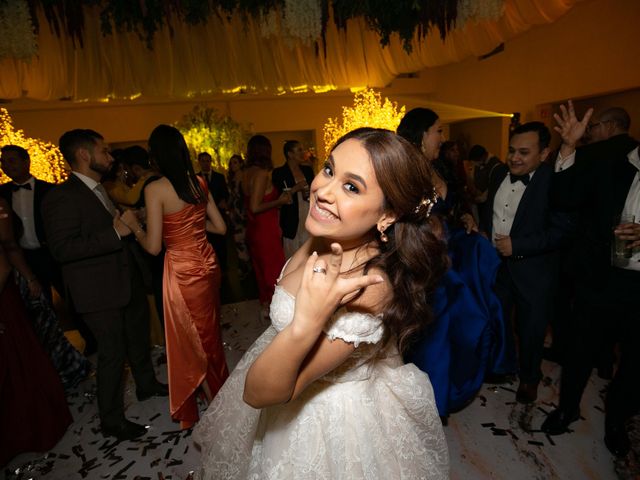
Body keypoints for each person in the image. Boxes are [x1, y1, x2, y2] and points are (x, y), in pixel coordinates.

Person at [194, 128, 449, 479]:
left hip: (331, 418)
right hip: (281, 368)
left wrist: (306, 324)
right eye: (329, 170)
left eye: (351, 187)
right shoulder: (327, 233)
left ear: (388, 215)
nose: (322, 191)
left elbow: (257, 393)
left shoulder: (368, 285)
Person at [42, 129, 167, 441]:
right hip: (97, 290)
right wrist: (115, 234)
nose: (110, 158)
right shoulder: (62, 196)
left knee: (137, 338)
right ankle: (112, 420)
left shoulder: (101, 189)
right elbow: (63, 248)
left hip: (126, 280)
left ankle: (146, 384)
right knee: (112, 354)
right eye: (105, 151)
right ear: (84, 155)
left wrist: (132, 220)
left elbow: (112, 226)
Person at [541, 102, 640, 458]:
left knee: (634, 363)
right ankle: (567, 408)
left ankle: (616, 420)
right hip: (601, 277)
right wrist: (568, 148)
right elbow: (564, 198)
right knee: (581, 348)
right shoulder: (608, 158)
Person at [397, 108, 510, 417]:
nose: (442, 138)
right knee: (437, 328)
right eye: (438, 131)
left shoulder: (439, 169)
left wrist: (464, 216)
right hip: (426, 260)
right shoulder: (405, 171)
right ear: (422, 134)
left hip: (451, 252)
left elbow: (450, 207)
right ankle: (431, 400)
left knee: (467, 319)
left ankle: (448, 388)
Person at [121, 125, 229, 429]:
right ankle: (220, 393)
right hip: (207, 263)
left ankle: (219, 403)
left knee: (191, 340)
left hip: (182, 270)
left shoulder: (155, 189)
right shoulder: (199, 181)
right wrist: (189, 228)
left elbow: (153, 247)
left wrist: (135, 225)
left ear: (155, 155)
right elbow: (220, 228)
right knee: (209, 336)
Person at [479, 121, 571, 404]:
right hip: (499, 268)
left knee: (531, 330)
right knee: (498, 321)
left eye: (523, 152)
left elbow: (561, 230)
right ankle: (502, 366)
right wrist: (482, 227)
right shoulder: (498, 176)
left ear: (544, 154)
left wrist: (517, 245)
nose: (514, 158)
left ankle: (530, 379)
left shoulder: (554, 181)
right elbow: (489, 210)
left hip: (535, 272)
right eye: (511, 151)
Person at [242, 134, 291, 315]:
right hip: (265, 230)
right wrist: (280, 201)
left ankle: (267, 309)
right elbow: (255, 207)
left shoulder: (245, 173)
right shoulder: (261, 174)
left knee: (261, 272)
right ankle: (278, 313)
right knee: (274, 272)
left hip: (254, 229)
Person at [272, 140, 315, 258]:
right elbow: (278, 199)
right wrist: (295, 188)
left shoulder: (307, 170)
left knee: (309, 254)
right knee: (293, 256)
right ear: (289, 154)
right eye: (299, 150)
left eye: (303, 149)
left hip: (308, 213)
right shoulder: (279, 173)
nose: (303, 153)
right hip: (291, 219)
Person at [198, 152, 230, 273]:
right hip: (203, 218)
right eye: (203, 161)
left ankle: (224, 270)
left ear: (210, 162)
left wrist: (223, 203)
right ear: (199, 162)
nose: (205, 163)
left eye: (207, 161)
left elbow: (225, 194)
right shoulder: (196, 179)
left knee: (221, 246)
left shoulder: (219, 177)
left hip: (219, 215)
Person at [226, 154, 251, 277]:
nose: (232, 165)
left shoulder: (245, 176)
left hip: (243, 211)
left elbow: (245, 195)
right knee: (238, 240)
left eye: (235, 162)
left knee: (244, 239)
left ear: (241, 164)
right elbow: (232, 196)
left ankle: (247, 267)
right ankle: (244, 267)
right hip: (235, 211)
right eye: (231, 163)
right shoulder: (232, 177)